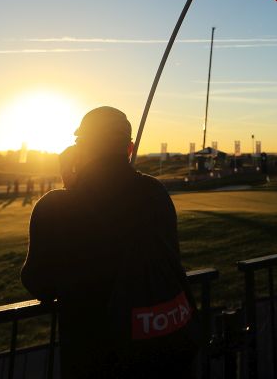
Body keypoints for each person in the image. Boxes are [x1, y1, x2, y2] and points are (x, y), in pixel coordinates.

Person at [21, 106, 195, 378]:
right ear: (129, 148)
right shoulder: (156, 192)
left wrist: (70, 186)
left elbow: (38, 282)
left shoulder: (56, 205)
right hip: (167, 352)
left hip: (96, 359)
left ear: (81, 149)